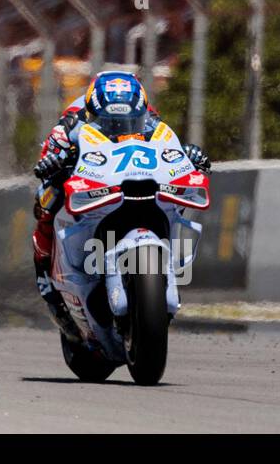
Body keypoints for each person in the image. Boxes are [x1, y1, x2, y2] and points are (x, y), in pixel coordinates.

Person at [28, 70, 210, 328]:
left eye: (128, 120)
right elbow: (47, 156)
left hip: (132, 177)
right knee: (46, 199)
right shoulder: (71, 121)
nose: (120, 126)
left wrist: (188, 153)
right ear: (92, 112)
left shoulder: (148, 115)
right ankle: (47, 279)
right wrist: (53, 160)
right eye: (110, 121)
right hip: (90, 176)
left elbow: (167, 145)